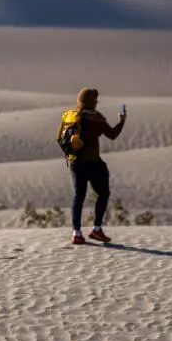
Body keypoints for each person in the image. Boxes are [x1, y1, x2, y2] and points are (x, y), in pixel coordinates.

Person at [67, 87, 126, 245]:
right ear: (92, 102)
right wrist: (122, 121)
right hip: (92, 163)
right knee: (104, 193)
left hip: (74, 162)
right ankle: (97, 229)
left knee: (78, 197)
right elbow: (112, 135)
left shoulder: (72, 116)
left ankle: (76, 234)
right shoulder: (95, 117)